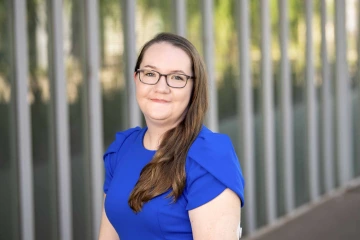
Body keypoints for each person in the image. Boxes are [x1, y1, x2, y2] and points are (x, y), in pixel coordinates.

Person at [98, 32, 245, 240]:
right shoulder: (121, 149)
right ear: (136, 79)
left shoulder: (209, 159)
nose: (161, 87)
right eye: (150, 74)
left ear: (194, 88)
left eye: (177, 77)